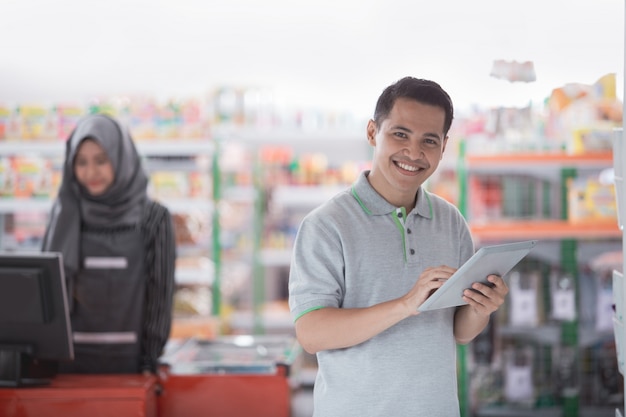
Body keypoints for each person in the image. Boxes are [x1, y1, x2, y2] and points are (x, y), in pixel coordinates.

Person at [288, 76, 509, 416]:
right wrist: (405, 304)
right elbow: (311, 334)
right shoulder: (327, 225)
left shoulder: (451, 222)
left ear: (444, 146)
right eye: (400, 134)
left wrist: (481, 308)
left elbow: (459, 333)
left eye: (429, 141)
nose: (414, 152)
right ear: (373, 132)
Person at [42, 113, 176, 374]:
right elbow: (47, 293)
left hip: (129, 366)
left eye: (101, 161)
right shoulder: (64, 213)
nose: (90, 172)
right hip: (66, 367)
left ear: (121, 158)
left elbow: (160, 295)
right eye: (81, 162)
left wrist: (149, 361)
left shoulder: (154, 218)